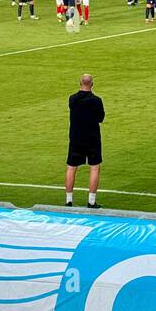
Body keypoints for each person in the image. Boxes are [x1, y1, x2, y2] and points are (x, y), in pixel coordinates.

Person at [65, 73, 104, 209]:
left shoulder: (72, 99)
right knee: (94, 167)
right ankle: (91, 201)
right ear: (92, 84)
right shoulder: (96, 100)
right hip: (92, 138)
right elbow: (100, 118)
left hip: (76, 138)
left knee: (71, 167)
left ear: (80, 83)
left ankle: (69, 200)